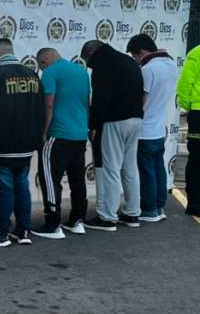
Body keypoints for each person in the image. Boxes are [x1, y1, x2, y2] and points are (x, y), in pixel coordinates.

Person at [0, 39, 44, 247]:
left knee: (5, 189)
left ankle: (0, 232)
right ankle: (23, 231)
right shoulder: (32, 75)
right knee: (22, 187)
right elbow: (40, 110)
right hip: (26, 144)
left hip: (1, 143)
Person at [80, 40, 144, 232]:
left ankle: (107, 216)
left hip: (114, 121)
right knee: (130, 167)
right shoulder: (129, 61)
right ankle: (132, 212)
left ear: (92, 54)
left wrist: (93, 125)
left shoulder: (103, 65)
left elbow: (101, 98)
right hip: (135, 118)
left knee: (108, 168)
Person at [32, 48, 91, 239]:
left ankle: (52, 223)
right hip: (80, 133)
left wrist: (43, 131)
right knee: (77, 179)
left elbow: (48, 103)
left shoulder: (50, 72)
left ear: (44, 62)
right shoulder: (81, 71)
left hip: (58, 134)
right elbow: (86, 102)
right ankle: (77, 220)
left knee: (50, 179)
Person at [127, 35, 178, 222]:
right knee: (158, 169)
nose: (136, 61)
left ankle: (149, 209)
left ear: (142, 53)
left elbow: (142, 98)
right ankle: (159, 207)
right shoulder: (171, 65)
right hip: (158, 128)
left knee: (147, 171)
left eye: (135, 57)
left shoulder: (148, 69)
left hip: (144, 129)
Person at [178, 44, 200, 217]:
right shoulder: (197, 53)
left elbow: (185, 84)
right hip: (199, 111)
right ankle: (194, 202)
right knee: (197, 159)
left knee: (197, 159)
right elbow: (185, 85)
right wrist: (190, 107)